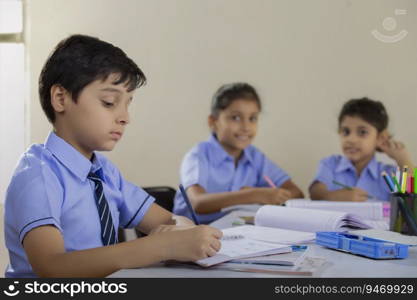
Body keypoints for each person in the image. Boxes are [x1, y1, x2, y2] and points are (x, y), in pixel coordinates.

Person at [4, 34, 222, 278]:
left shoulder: (104, 172)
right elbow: (52, 266)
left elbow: (168, 220)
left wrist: (181, 229)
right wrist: (162, 245)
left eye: (128, 104)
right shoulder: (38, 175)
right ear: (61, 98)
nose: (125, 117)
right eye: (109, 102)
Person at [173, 82, 304, 224]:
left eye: (252, 118)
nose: (246, 127)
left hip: (238, 232)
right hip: (193, 234)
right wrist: (254, 195)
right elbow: (197, 202)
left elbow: (296, 193)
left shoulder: (255, 157)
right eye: (235, 118)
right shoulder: (198, 156)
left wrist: (272, 195)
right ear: (213, 122)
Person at [309, 97, 414, 202]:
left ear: (380, 138)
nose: (351, 139)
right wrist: (333, 196)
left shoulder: (388, 173)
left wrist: (404, 160)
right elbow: (315, 192)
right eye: (346, 132)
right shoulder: (330, 164)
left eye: (362, 132)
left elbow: (410, 200)